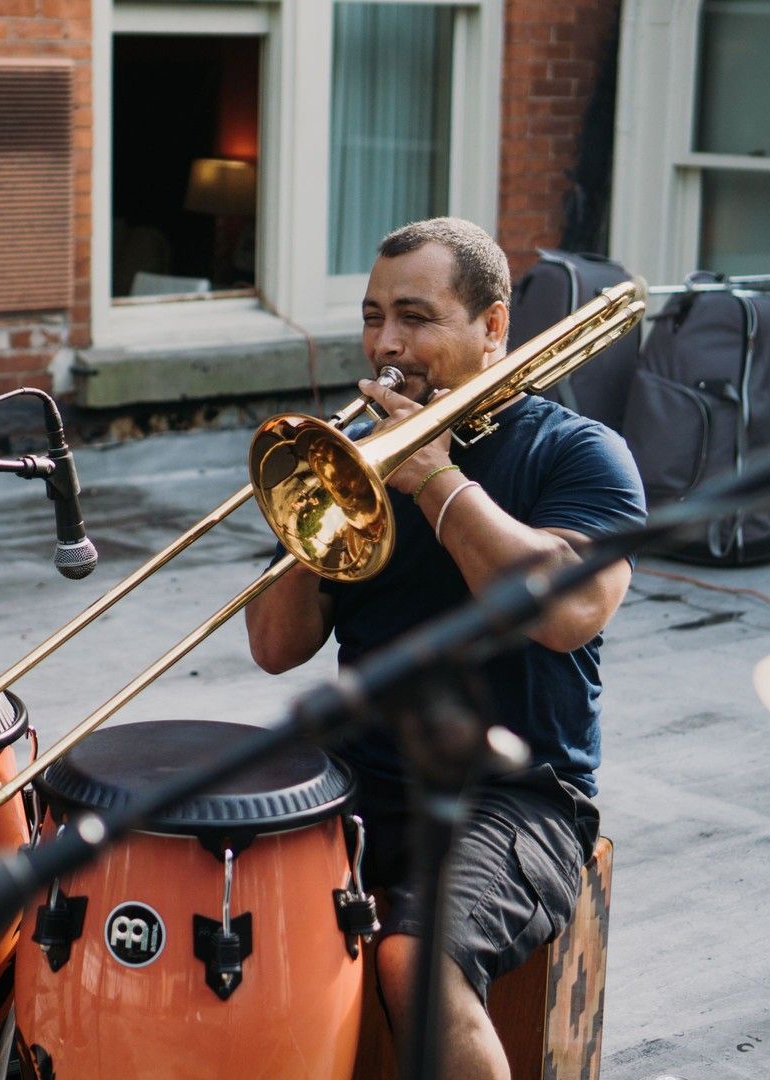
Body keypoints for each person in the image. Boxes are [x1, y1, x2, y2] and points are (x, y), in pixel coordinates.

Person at [245, 217, 646, 1079]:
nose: (387, 343)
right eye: (373, 317)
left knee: (416, 965)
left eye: (416, 317)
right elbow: (276, 647)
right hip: (361, 773)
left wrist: (434, 478)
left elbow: (566, 614)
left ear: (493, 326)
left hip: (516, 793)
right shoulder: (354, 463)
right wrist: (309, 510)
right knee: (219, 898)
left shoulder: (578, 453)